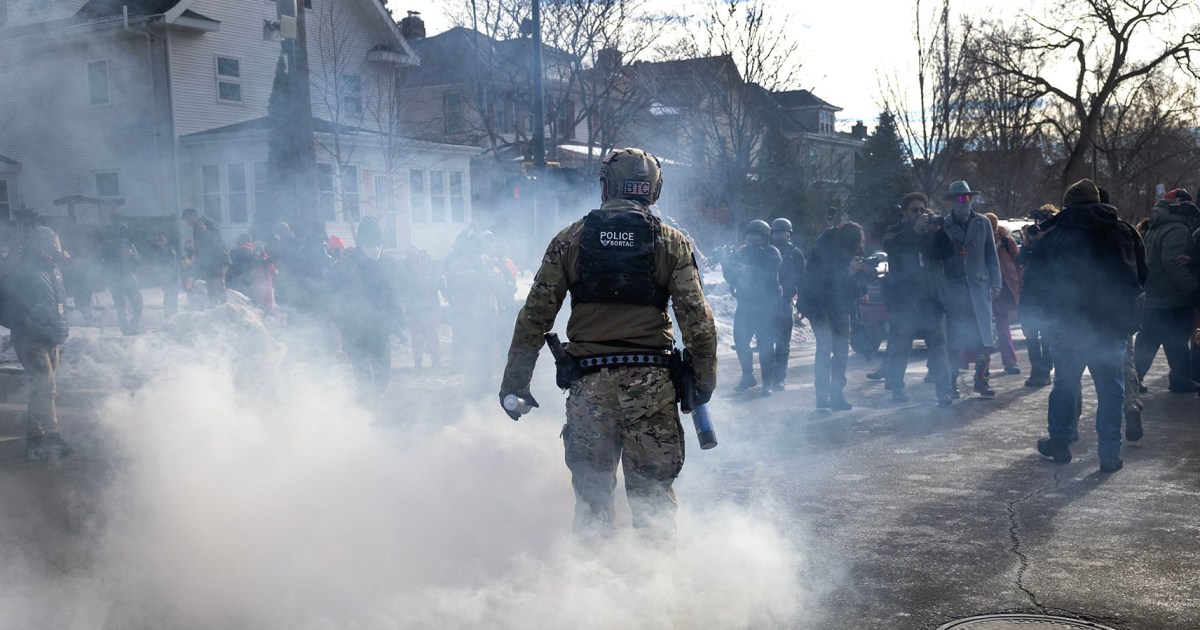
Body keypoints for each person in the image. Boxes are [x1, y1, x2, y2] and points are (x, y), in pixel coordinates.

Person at [498, 147, 717, 538]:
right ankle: (659, 590)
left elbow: (534, 317)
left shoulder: (570, 241)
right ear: (654, 190)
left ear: (605, 187)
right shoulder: (672, 242)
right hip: (652, 392)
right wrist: (702, 382)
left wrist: (515, 384)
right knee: (653, 507)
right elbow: (698, 325)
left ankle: (594, 590)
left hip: (589, 390)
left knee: (593, 503)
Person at [1022, 178, 1145, 473]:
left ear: (1069, 205)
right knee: (1111, 389)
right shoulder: (1124, 232)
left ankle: (1061, 442)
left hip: (1068, 326)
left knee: (1065, 385)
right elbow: (1141, 274)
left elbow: (1036, 282)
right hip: (1110, 326)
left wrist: (1032, 317)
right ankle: (1109, 454)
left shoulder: (1054, 236)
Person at [1, 227, 74, 460]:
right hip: (30, 337)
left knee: (40, 388)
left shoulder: (52, 268)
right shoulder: (21, 268)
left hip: (50, 335)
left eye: (56, 242)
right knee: (46, 387)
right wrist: (22, 318)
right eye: (51, 243)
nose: (56, 247)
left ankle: (35, 437)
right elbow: (4, 300)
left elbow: (58, 298)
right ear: (39, 244)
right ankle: (54, 437)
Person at [880, 192, 955, 405]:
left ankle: (944, 392)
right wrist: (914, 230)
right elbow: (891, 248)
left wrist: (938, 231)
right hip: (905, 300)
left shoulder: (931, 232)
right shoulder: (895, 232)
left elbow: (949, 252)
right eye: (915, 210)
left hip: (932, 299)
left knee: (939, 345)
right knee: (901, 345)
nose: (920, 214)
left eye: (923, 210)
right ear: (904, 212)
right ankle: (896, 388)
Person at [327, 217, 401, 400]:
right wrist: (338, 317)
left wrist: (397, 315)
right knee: (364, 375)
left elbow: (397, 295)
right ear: (361, 245)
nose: (376, 249)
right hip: (354, 330)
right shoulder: (343, 268)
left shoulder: (390, 266)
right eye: (371, 245)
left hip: (380, 330)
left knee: (383, 374)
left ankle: (369, 403)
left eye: (379, 245)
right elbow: (331, 297)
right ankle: (362, 410)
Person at [940, 181, 1002, 398]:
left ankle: (981, 380)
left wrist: (996, 283)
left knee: (985, 340)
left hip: (979, 288)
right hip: (955, 290)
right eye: (958, 198)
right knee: (954, 339)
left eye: (966, 198)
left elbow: (991, 257)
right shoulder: (944, 225)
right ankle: (951, 382)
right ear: (951, 202)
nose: (963, 202)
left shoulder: (983, 222)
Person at [1134, 188, 1200, 392]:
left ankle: (1133, 380)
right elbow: (1173, 263)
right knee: (1177, 342)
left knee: (1147, 342)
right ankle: (1180, 380)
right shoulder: (1177, 229)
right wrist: (1192, 288)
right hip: (1173, 298)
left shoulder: (1155, 227)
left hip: (1153, 297)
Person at [801, 221, 868, 410]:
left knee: (841, 350)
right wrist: (847, 271)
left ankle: (837, 394)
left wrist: (862, 274)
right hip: (818, 305)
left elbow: (854, 286)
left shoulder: (854, 251)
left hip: (840, 307)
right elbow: (820, 279)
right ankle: (822, 396)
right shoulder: (823, 248)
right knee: (825, 346)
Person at [723, 219, 782, 395]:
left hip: (766, 307)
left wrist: (747, 270)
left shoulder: (772, 253)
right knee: (740, 341)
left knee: (765, 346)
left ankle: (767, 383)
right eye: (750, 236)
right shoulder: (741, 251)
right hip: (746, 305)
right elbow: (730, 272)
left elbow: (771, 277)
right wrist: (729, 269)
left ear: (765, 238)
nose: (752, 240)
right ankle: (747, 375)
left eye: (757, 237)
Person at [1018, 205, 1059, 387]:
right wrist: (1026, 244)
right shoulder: (1034, 240)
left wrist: (1044, 239)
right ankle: (1036, 369)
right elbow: (1021, 262)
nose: (1042, 223)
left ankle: (1045, 370)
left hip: (1050, 294)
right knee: (1030, 333)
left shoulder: (1057, 239)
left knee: (1048, 335)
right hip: (1031, 293)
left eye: (1046, 219)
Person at [768, 217, 805, 391]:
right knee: (766, 344)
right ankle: (766, 378)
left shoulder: (795, 253)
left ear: (789, 235)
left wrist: (803, 302)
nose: (780, 236)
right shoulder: (766, 251)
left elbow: (802, 279)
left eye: (783, 233)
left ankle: (779, 379)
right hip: (765, 304)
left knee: (783, 344)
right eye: (777, 232)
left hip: (785, 304)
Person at [984, 212, 1023, 375]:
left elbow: (1018, 264)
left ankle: (1009, 362)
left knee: (1002, 326)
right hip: (986, 287)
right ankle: (979, 364)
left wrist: (1019, 285)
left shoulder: (1007, 241)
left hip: (1003, 287)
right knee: (983, 327)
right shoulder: (982, 240)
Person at [181, 208, 230, 307]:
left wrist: (204, 231)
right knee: (212, 285)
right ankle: (216, 309)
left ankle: (224, 307)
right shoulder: (195, 229)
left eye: (187, 220)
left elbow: (217, 241)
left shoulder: (209, 224)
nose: (187, 223)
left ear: (193, 216)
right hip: (209, 262)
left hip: (219, 259)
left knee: (217, 284)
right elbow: (201, 247)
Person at [100, 222, 143, 335]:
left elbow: (138, 262)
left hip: (129, 278)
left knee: (138, 304)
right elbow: (105, 263)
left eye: (124, 232)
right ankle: (126, 329)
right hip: (116, 280)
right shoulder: (108, 246)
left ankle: (132, 327)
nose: (123, 235)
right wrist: (117, 254)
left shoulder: (129, 245)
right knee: (120, 307)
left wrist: (131, 255)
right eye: (121, 232)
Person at [146, 232, 180, 319]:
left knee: (173, 296)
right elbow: (160, 265)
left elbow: (174, 262)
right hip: (167, 277)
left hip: (173, 276)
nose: (163, 240)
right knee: (169, 296)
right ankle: (169, 315)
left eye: (163, 238)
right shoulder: (159, 250)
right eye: (160, 239)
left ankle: (173, 315)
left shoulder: (170, 247)